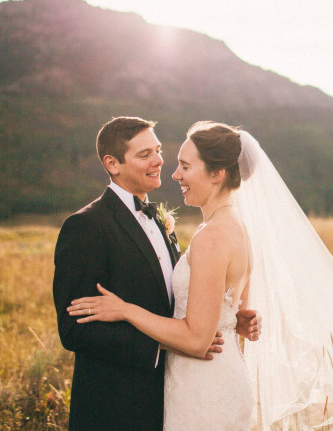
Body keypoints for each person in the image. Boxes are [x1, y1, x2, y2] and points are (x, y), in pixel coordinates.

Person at [69, 122, 333, 430]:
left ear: (217, 173)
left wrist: (124, 310)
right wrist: (233, 319)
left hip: (204, 382)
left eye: (184, 165)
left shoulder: (215, 237)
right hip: (206, 377)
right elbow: (226, 309)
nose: (174, 173)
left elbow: (198, 338)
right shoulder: (228, 228)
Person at [53, 117, 259, 431]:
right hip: (115, 407)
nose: (160, 161)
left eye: (158, 150)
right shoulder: (86, 227)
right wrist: (162, 345)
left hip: (180, 393)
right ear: (113, 164)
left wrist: (227, 318)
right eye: (144, 154)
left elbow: (178, 303)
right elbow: (74, 329)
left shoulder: (168, 224)